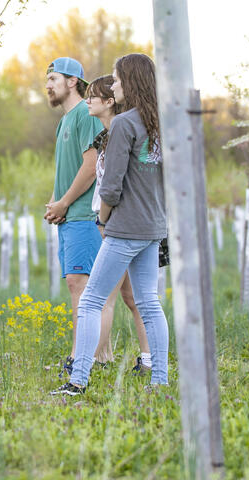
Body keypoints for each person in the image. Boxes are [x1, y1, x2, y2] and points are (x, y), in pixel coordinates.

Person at [50, 53, 168, 396]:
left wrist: (102, 220)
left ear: (129, 82)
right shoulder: (158, 124)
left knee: (90, 302)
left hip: (124, 228)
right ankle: (159, 380)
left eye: (116, 80)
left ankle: (78, 380)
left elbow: (111, 186)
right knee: (149, 301)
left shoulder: (124, 124)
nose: (112, 86)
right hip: (153, 227)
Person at [83, 74, 152, 373]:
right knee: (131, 296)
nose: (88, 101)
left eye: (93, 96)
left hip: (117, 222)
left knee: (102, 296)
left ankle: (93, 359)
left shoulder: (122, 133)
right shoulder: (104, 137)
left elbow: (114, 185)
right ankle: (146, 358)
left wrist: (103, 219)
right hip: (122, 220)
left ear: (110, 101)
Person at [43, 57, 104, 376]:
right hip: (68, 216)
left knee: (82, 286)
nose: (48, 85)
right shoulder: (63, 121)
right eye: (47, 80)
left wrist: (65, 203)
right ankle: (82, 356)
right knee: (74, 285)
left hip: (83, 216)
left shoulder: (85, 115)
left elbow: (92, 166)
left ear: (72, 81)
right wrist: (55, 201)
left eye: (53, 78)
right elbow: (65, 170)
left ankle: (81, 361)